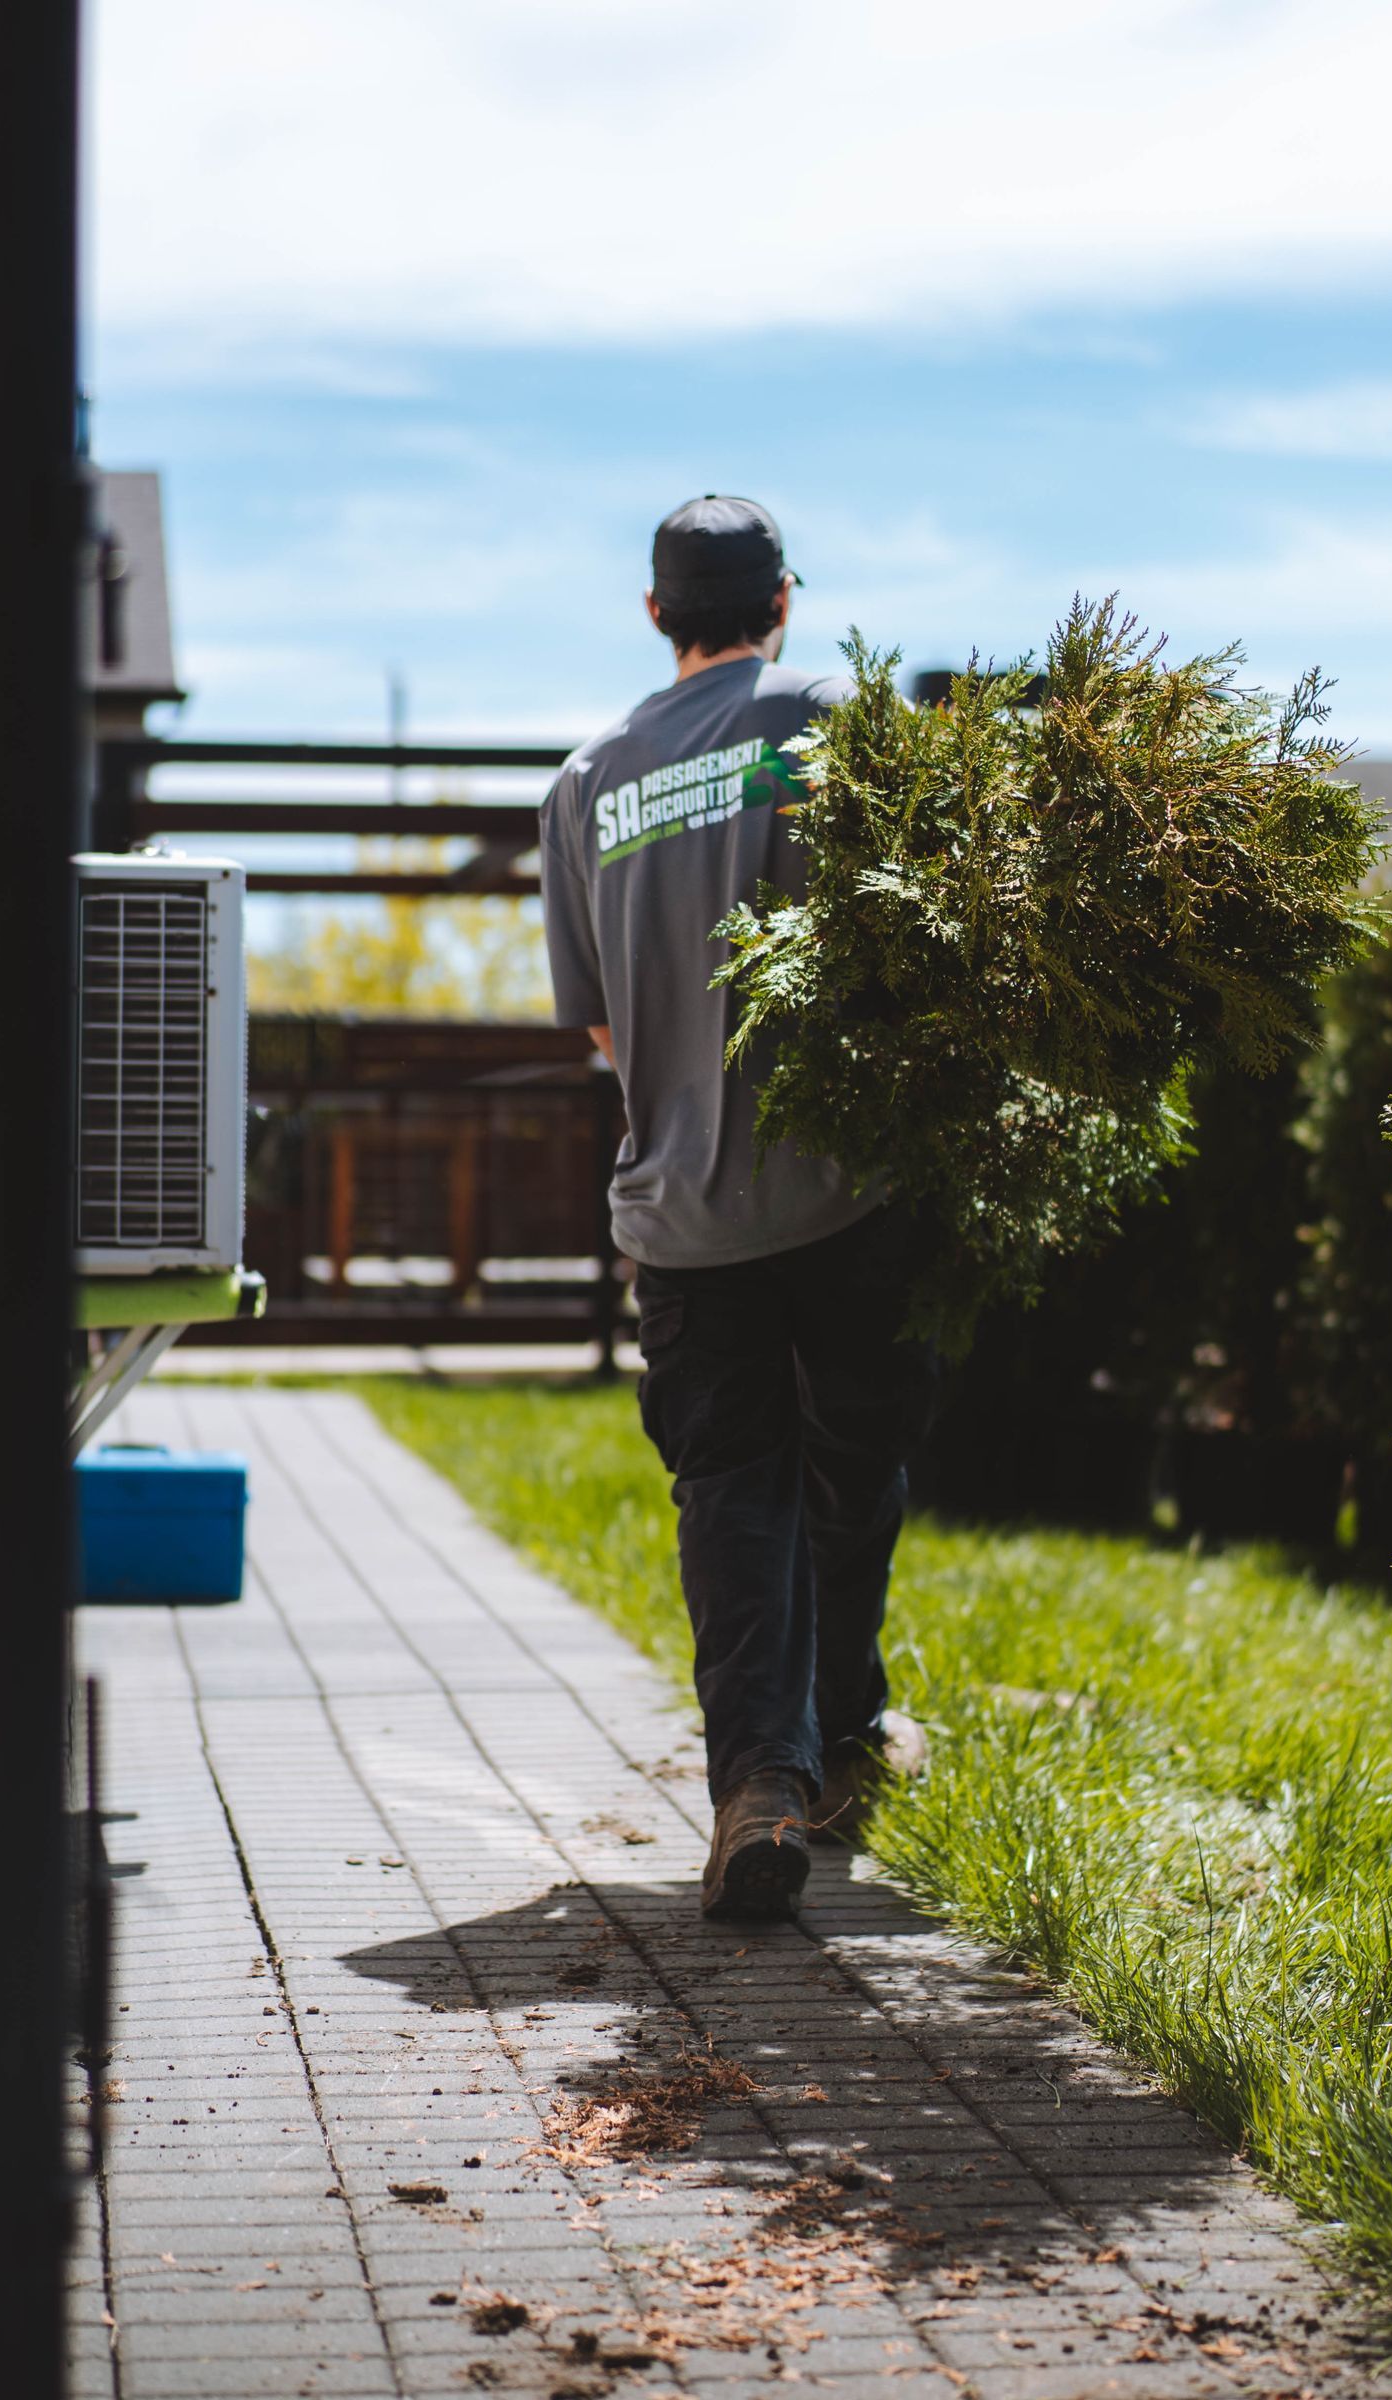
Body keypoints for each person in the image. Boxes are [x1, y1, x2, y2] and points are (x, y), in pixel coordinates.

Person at [538, 495, 936, 1920]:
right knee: (849, 1463)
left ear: (658, 615)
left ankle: (763, 1782)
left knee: (733, 1490)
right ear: (782, 602)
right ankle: (843, 1745)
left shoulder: (586, 783)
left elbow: (598, 1034)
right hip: (844, 1192)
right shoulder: (834, 712)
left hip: (682, 1216)